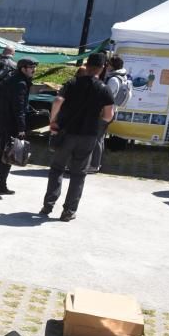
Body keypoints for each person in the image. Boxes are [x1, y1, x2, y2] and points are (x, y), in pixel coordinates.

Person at [40, 53, 116, 221]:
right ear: (102, 68)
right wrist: (96, 121)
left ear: (87, 65)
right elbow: (108, 115)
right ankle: (69, 211)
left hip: (66, 133)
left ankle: (48, 205)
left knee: (57, 169)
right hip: (88, 135)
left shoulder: (72, 83)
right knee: (78, 174)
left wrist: (53, 122)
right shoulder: (104, 88)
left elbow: (58, 101)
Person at [0, 58, 37, 195]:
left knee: (2, 151)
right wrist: (21, 128)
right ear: (23, 68)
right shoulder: (20, 83)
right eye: (31, 67)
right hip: (11, 123)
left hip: (3, 120)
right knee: (10, 153)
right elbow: (19, 107)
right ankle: (1, 185)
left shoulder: (11, 78)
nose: (34, 69)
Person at [89, 56, 131, 173]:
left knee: (96, 138)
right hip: (112, 112)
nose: (106, 66)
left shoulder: (113, 80)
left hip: (105, 112)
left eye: (108, 64)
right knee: (100, 138)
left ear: (112, 66)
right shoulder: (122, 77)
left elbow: (107, 98)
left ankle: (94, 165)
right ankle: (96, 164)